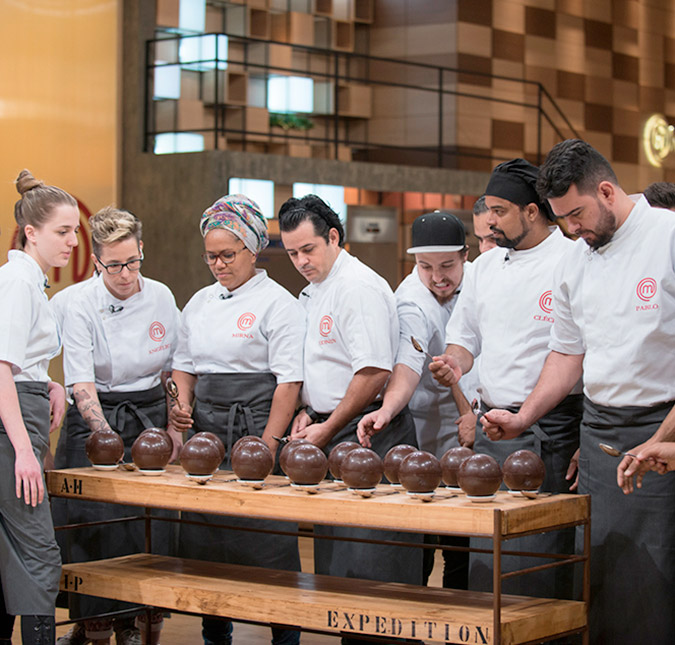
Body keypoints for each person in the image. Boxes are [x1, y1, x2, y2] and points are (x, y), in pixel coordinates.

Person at [482, 139, 675, 644]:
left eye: (576, 214)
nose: (570, 229)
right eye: (561, 219)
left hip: (662, 435)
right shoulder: (575, 260)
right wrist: (524, 417)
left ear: (607, 191)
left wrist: (664, 435)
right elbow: (567, 356)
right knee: (599, 577)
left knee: (656, 584)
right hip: (599, 435)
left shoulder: (668, 237)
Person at [430, 158, 582, 600]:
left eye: (499, 210)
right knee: (488, 561)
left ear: (532, 212)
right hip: (492, 429)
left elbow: (577, 354)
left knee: (539, 564)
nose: (489, 220)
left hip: (551, 428)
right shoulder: (486, 267)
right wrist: (454, 364)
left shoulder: (572, 259)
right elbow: (464, 338)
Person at [279, 194, 422, 645]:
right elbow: (324, 364)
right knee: (342, 585)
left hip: (367, 434)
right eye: (291, 253)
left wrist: (327, 424)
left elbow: (374, 370)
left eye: (308, 250)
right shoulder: (316, 287)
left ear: (334, 237)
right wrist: (307, 410)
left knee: (377, 586)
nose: (301, 261)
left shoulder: (356, 286)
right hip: (329, 430)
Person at [169, 194, 304, 645]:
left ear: (253, 249)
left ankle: (284, 634)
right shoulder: (199, 302)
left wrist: (269, 443)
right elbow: (184, 364)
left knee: (269, 542)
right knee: (208, 543)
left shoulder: (278, 303)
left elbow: (289, 382)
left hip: (257, 424)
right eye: (211, 256)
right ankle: (214, 634)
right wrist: (183, 404)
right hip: (207, 431)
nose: (219, 265)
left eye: (228, 255)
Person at [58, 206, 181, 645]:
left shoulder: (162, 296)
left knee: (148, 526)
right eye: (114, 265)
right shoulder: (79, 303)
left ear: (141, 251)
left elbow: (172, 370)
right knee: (94, 527)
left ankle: (138, 625)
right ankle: (93, 629)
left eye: (132, 261)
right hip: (94, 419)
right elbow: (81, 383)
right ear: (96, 262)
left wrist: (175, 425)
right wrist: (103, 433)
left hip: (147, 415)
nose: (125, 273)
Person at [357, 210, 478, 590]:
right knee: (422, 537)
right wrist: (387, 410)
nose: (437, 277)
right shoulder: (409, 300)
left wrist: (474, 412)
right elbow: (407, 365)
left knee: (466, 541)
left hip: (484, 420)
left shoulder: (483, 281)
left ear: (466, 255)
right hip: (425, 429)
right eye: (425, 267)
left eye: (447, 265)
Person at [0, 169, 80, 645]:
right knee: (38, 552)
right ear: (32, 233)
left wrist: (49, 383)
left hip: (23, 414)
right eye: (62, 232)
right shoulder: (16, 282)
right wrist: (25, 452)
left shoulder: (28, 281)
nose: (73, 241)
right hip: (12, 430)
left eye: (74, 231)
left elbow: (21, 361)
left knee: (14, 550)